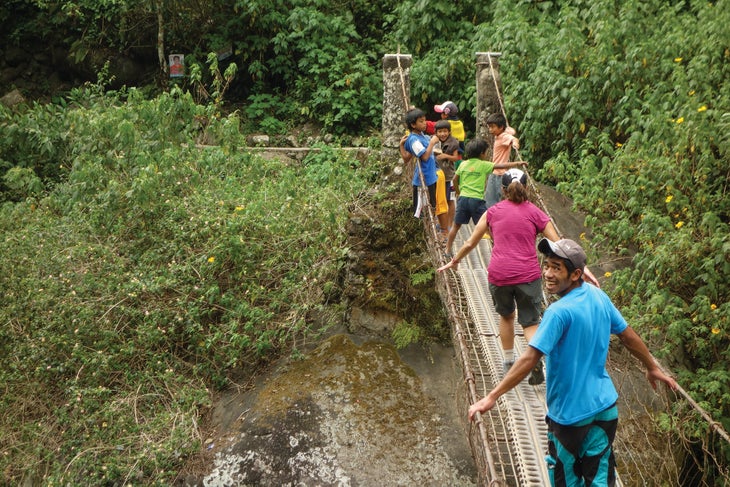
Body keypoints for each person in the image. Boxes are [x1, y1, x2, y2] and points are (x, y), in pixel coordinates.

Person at [468, 237, 678, 487]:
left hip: (569, 418)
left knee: (566, 480)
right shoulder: (598, 296)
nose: (547, 273)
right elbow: (627, 335)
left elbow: (530, 358)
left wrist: (492, 396)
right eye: (546, 265)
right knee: (600, 479)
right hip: (604, 409)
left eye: (557, 268)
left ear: (576, 274)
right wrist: (651, 366)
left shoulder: (558, 312)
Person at [440, 169, 600, 385]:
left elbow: (470, 242)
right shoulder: (536, 213)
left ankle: (508, 363)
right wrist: (583, 268)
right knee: (530, 322)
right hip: (528, 275)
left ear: (503, 190)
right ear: (526, 189)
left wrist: (455, 260)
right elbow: (560, 246)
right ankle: (533, 362)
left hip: (499, 274)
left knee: (506, 317)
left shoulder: (493, 211)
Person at [443, 140, 527, 259]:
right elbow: (501, 166)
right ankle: (499, 250)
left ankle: (447, 249)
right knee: (489, 226)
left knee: (456, 226)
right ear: (482, 153)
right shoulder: (484, 165)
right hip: (476, 201)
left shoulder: (463, 164)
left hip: (463, 199)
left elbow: (455, 179)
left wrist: (458, 192)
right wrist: (518, 163)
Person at [399, 108, 440, 218]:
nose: (424, 123)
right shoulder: (413, 140)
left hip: (430, 177)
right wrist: (432, 143)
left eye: (424, 120)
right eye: (421, 121)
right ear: (413, 124)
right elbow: (424, 157)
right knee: (421, 211)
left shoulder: (421, 135)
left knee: (432, 205)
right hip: (423, 180)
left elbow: (407, 158)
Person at [484, 113, 519, 208]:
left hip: (499, 174)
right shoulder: (501, 133)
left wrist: (515, 144)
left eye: (492, 127)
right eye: (489, 127)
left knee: (492, 199)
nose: (490, 130)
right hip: (495, 171)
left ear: (501, 127)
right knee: (492, 198)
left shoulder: (504, 136)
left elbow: (514, 139)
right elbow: (512, 131)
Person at [433, 119, 461, 234]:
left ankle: (449, 225)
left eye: (445, 131)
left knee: (450, 200)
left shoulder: (453, 142)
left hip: (448, 176)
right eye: (440, 132)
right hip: (437, 176)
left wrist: (445, 155)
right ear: (436, 133)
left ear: (449, 132)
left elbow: (456, 158)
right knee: (440, 199)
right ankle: (442, 223)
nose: (442, 134)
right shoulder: (434, 142)